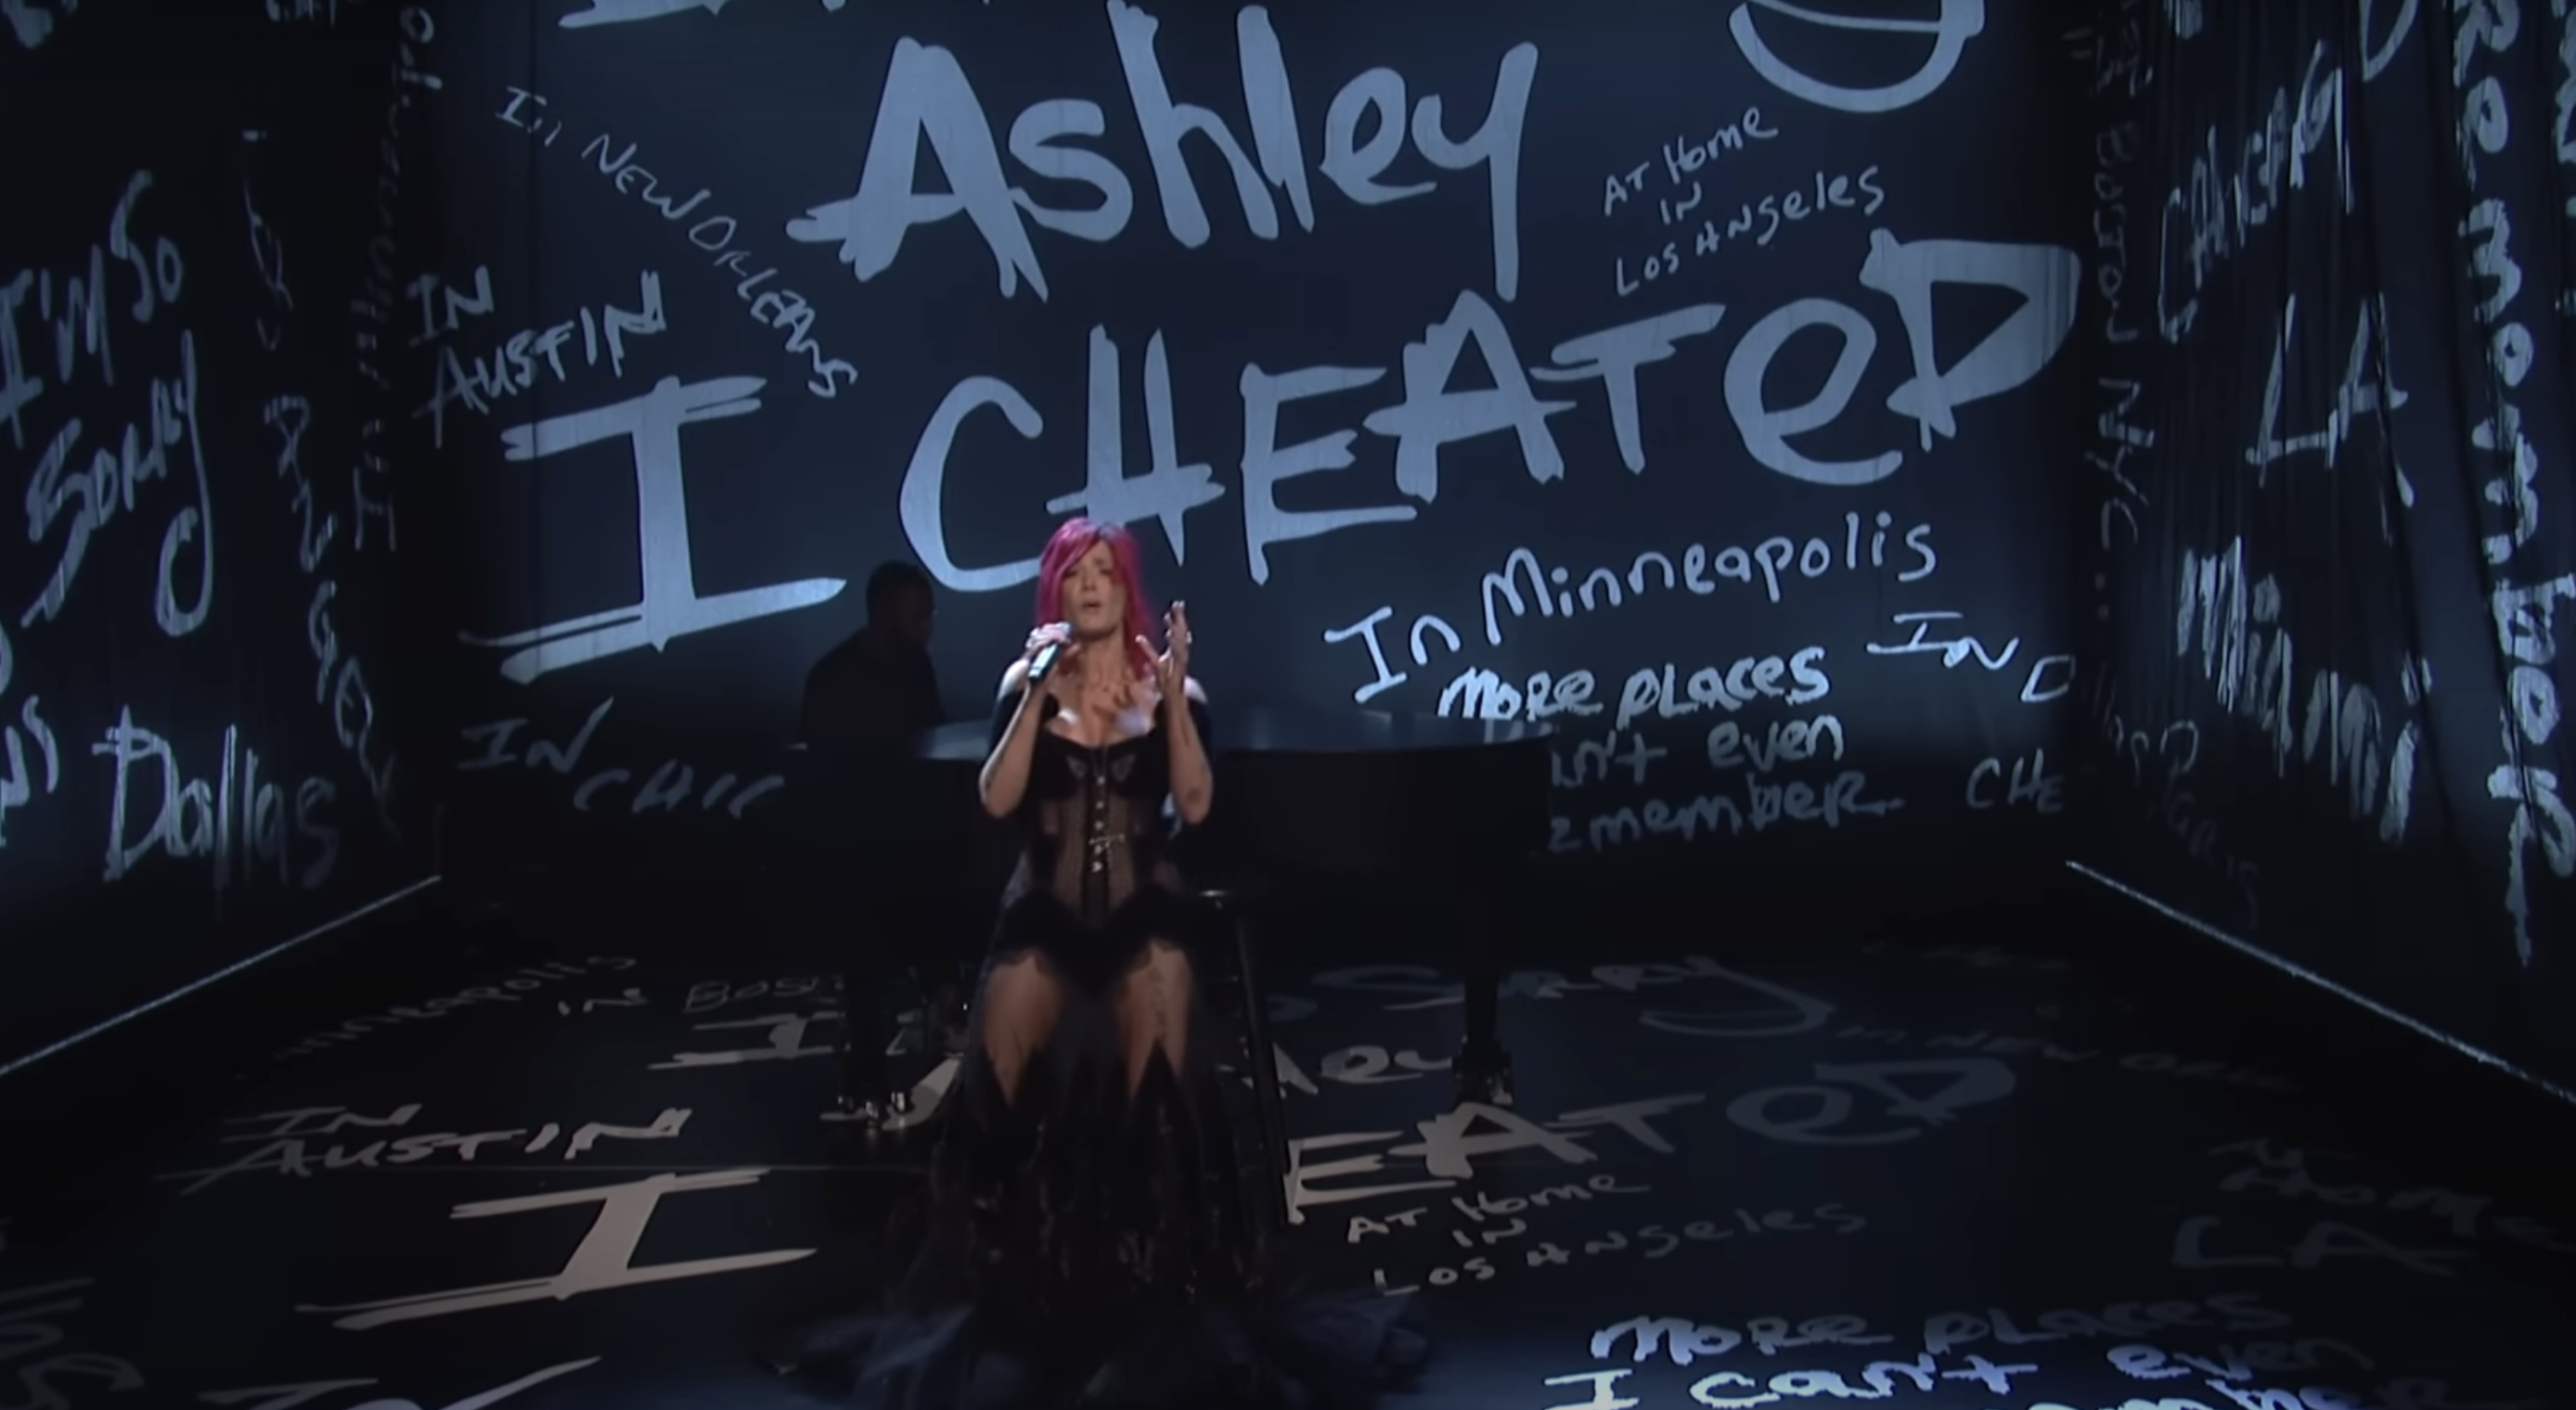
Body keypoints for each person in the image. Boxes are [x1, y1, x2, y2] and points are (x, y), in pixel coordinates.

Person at [771, 519, 1422, 1408]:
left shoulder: (1169, 686)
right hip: (1042, 911)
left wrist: (1178, 695)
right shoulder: (1024, 682)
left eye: (1104, 572)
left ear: (1126, 589)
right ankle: (1003, 1280)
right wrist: (1037, 697)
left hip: (1144, 914)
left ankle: (1159, 1284)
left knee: (1159, 1066)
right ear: (1056, 588)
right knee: (1002, 1072)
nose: (1089, 585)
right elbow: (996, 798)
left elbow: (1196, 805)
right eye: (1074, 572)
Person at [798, 560, 951, 1116]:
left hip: (910, 837)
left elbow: (933, 740)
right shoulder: (833, 677)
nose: (926, 627)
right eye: (915, 616)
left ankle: (943, 1037)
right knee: (864, 967)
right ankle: (868, 1076)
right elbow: (819, 774)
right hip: (854, 845)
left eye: (929, 615)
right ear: (884, 613)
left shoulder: (916, 668)